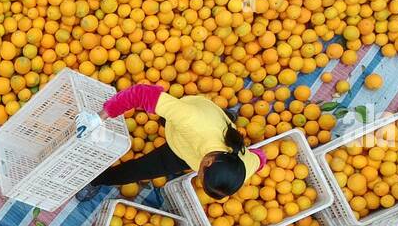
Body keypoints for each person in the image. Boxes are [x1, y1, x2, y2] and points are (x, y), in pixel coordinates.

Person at [79, 83, 266, 199]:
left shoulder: (246, 165)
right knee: (167, 117)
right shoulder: (193, 122)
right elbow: (142, 93)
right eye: (200, 175)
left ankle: (97, 180)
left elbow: (261, 157)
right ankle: (223, 117)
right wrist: (101, 116)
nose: (197, 177)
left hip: (185, 150)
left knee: (138, 171)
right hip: (190, 118)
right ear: (208, 162)